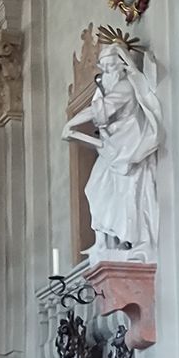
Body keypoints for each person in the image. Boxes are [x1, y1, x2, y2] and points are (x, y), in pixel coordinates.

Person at [64, 38, 163, 258]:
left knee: (129, 193)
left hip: (128, 144)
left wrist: (71, 123)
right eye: (104, 66)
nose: (107, 71)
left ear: (121, 64)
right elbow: (99, 107)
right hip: (113, 147)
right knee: (94, 188)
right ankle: (104, 241)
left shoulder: (125, 86)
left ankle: (132, 240)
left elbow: (103, 109)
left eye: (111, 65)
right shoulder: (108, 88)